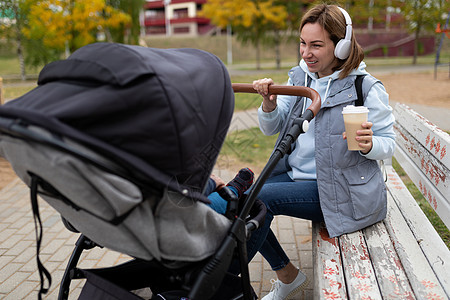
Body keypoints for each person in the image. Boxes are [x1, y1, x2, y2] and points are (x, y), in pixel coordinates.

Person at [248, 4, 396, 300]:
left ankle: (221, 278)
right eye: (303, 43)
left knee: (260, 200)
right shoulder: (300, 79)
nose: (306, 53)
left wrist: (369, 145)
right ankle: (286, 274)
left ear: (341, 46)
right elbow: (271, 128)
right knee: (244, 199)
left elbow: (389, 143)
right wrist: (268, 104)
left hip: (341, 191)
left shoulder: (363, 87)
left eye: (316, 45)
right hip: (298, 177)